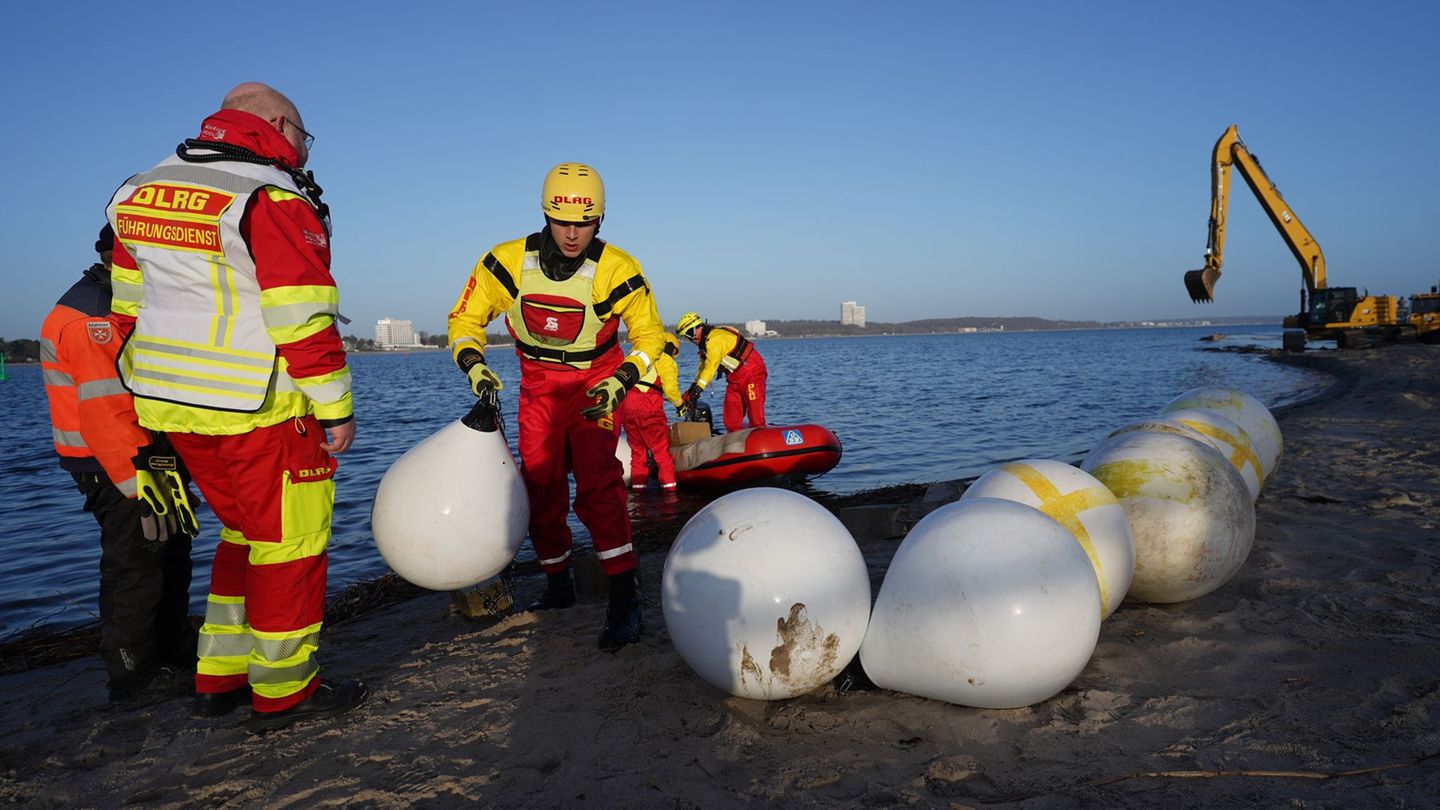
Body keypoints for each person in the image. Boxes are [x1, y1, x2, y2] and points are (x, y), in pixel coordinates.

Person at [105, 82, 366, 732]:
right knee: (291, 547)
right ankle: (284, 692)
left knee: (244, 536)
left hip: (173, 407)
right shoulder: (268, 196)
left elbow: (126, 304)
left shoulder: (138, 190)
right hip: (260, 408)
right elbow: (301, 316)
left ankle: (218, 678)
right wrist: (335, 409)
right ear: (279, 124)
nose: (306, 151)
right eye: (305, 137)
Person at [448, 162, 665, 651]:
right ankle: (558, 585)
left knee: (599, 486)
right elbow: (465, 318)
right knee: (540, 486)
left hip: (596, 386)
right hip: (538, 386)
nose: (572, 234)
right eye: (562, 221)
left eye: (584, 223)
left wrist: (623, 380)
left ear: (600, 220)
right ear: (545, 214)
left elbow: (651, 334)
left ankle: (624, 598)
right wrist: (473, 363)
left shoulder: (618, 269)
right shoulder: (504, 262)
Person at [41, 224, 198, 703]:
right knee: (135, 562)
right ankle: (133, 673)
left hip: (148, 454)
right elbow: (106, 409)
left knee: (171, 554)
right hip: (116, 463)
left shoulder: (118, 304)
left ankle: (173, 651)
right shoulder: (93, 317)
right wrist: (138, 485)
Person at [675, 312, 768, 432]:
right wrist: (692, 389)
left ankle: (760, 438)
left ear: (696, 327)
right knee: (731, 418)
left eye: (689, 334)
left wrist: (698, 390)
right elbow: (702, 369)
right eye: (686, 337)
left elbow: (710, 367)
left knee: (756, 416)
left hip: (752, 371)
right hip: (735, 377)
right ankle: (734, 445)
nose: (690, 339)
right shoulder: (705, 345)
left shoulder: (715, 340)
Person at [621, 332, 684, 491]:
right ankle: (670, 495)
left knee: (637, 454)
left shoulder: (635, 353)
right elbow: (670, 390)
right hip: (649, 407)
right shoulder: (664, 358)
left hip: (627, 406)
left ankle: (639, 493)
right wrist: (679, 405)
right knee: (661, 453)